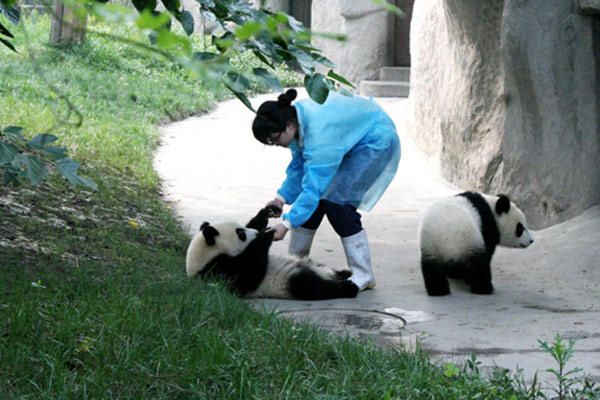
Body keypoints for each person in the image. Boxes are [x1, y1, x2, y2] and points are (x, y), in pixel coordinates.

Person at [251, 88, 401, 291]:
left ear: (288, 126)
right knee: (319, 200)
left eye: (274, 138)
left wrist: (286, 224)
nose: (274, 144)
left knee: (337, 203)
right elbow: (299, 166)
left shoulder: (320, 137)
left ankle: (363, 274)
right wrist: (280, 199)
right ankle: (296, 263)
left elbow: (312, 188)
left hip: (374, 140)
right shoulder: (297, 120)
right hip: (352, 138)